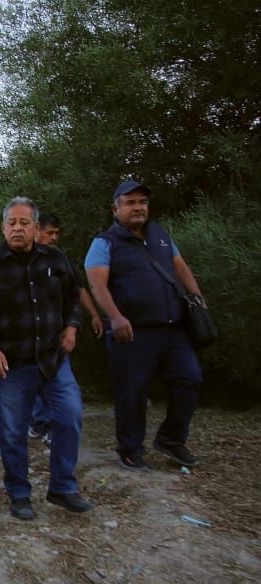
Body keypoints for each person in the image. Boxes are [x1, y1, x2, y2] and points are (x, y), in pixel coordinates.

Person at [0, 196, 93, 520]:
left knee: (70, 415)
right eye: (12, 223)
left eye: (24, 223)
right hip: (12, 365)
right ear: (3, 227)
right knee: (12, 431)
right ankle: (19, 494)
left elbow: (72, 298)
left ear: (36, 228)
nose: (18, 228)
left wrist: (72, 327)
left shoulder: (56, 260)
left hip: (54, 360)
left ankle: (63, 488)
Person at [85, 181, 205, 471]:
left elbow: (180, 267)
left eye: (142, 202)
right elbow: (96, 283)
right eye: (130, 202)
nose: (138, 207)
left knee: (190, 379)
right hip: (131, 331)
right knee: (132, 391)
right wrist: (114, 316)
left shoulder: (161, 236)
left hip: (173, 328)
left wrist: (198, 299)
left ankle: (171, 440)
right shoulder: (104, 242)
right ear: (115, 209)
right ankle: (130, 449)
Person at [28, 213, 104, 442]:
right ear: (36, 230)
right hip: (27, 337)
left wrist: (92, 315)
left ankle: (54, 427)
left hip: (55, 335)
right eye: (49, 233)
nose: (53, 238)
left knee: (58, 381)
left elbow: (76, 290)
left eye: (56, 234)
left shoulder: (60, 260)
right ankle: (39, 423)